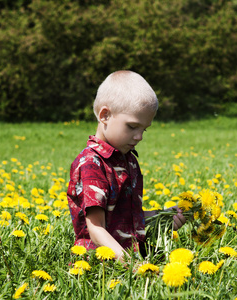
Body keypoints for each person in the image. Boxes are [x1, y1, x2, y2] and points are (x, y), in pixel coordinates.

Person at [67, 70, 185, 261]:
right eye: (132, 127)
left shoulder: (127, 159)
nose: (139, 137)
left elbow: (126, 218)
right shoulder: (91, 164)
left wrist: (161, 217)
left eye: (144, 129)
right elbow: (96, 229)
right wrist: (131, 266)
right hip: (100, 267)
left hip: (132, 257)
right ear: (104, 115)